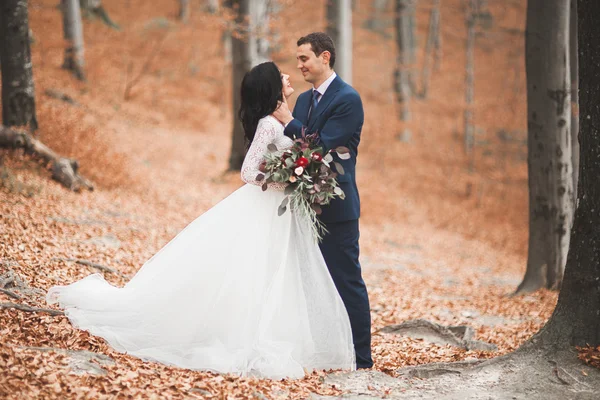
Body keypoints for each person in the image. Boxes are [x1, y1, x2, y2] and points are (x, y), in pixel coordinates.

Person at [46, 61, 355, 380]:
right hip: (265, 207)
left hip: (282, 211)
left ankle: (273, 332)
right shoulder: (267, 123)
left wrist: (303, 172)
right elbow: (248, 171)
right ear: (272, 87)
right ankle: (242, 335)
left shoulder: (281, 120)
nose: (288, 76)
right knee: (257, 269)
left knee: (278, 271)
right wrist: (288, 180)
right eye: (281, 76)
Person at [273, 32, 373, 369]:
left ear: (325, 57)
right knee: (311, 282)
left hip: (338, 206)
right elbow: (296, 152)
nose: (299, 64)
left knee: (346, 280)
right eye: (298, 59)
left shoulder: (348, 99)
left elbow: (319, 149)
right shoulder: (302, 101)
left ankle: (361, 359)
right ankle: (327, 351)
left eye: (304, 58)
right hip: (303, 207)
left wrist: (287, 121)